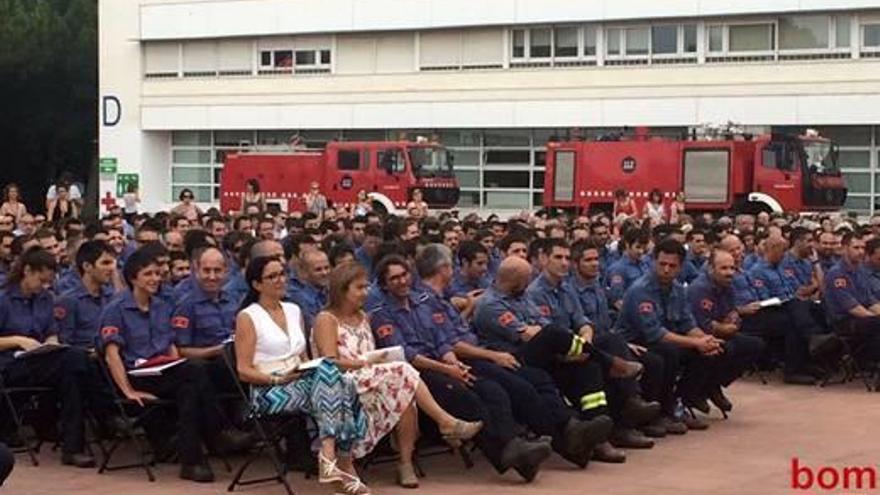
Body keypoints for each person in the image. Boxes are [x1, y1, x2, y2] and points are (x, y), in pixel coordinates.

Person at [416, 244, 617, 470]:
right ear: (443, 268)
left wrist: (467, 311)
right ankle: (557, 441)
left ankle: (573, 434)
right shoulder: (432, 303)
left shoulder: (446, 301)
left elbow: (457, 333)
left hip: (483, 356)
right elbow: (447, 343)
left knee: (552, 375)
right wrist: (489, 355)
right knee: (511, 388)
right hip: (472, 359)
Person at [370, 255, 553, 482]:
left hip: (446, 362)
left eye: (404, 274)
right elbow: (407, 355)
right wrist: (448, 370)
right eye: (394, 278)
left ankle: (516, 449)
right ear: (385, 285)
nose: (401, 281)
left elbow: (442, 339)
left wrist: (454, 363)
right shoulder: (381, 315)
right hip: (418, 372)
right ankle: (509, 452)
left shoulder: (423, 302)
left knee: (492, 391)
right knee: (465, 398)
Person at [312, 262, 481, 488]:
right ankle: (445, 421)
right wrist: (364, 362)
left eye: (366, 287)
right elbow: (329, 363)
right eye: (360, 288)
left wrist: (376, 359)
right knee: (403, 371)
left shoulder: (363, 317)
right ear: (343, 290)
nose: (366, 293)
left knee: (406, 396)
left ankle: (406, 463)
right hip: (341, 382)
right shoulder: (326, 319)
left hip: (369, 378)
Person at [100, 248, 250, 483]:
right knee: (195, 370)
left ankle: (192, 462)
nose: (155, 279)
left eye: (157, 274)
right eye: (148, 274)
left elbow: (170, 346)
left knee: (190, 388)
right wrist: (127, 390)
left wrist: (176, 363)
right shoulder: (116, 309)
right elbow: (112, 355)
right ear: (133, 278)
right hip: (137, 373)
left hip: (165, 370)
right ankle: (217, 431)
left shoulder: (161, 306)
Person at [234, 256, 370, 495]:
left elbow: (305, 358)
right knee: (339, 382)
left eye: (282, 273)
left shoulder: (293, 309)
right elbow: (243, 370)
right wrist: (277, 379)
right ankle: (341, 465)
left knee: (342, 380)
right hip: (269, 389)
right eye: (272, 276)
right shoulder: (248, 316)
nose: (280, 280)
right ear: (257, 284)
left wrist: (309, 370)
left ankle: (331, 457)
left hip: (302, 380)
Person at [0, 248, 112, 468]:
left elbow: (51, 330)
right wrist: (18, 340)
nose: (44, 286)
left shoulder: (45, 299)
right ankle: (106, 411)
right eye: (40, 280)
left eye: (48, 282)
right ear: (27, 271)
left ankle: (73, 447)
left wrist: (51, 341)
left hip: (39, 360)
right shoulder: (3, 299)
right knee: (76, 361)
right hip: (9, 363)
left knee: (73, 373)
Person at [616, 239, 727, 434]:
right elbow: (654, 333)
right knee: (665, 355)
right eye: (662, 264)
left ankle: (681, 403)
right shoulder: (640, 290)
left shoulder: (678, 290)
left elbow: (687, 323)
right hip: (634, 343)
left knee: (707, 352)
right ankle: (656, 414)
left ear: (680, 267)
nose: (666, 269)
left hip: (667, 341)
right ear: (653, 262)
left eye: (672, 266)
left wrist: (705, 340)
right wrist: (695, 342)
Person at [685, 250, 766, 414]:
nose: (729, 273)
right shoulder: (700, 289)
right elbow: (703, 324)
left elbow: (733, 313)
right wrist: (725, 327)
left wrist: (732, 323)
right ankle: (697, 391)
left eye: (732, 268)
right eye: (724, 268)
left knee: (756, 345)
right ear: (711, 269)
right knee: (726, 349)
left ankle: (713, 384)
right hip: (699, 335)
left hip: (724, 331)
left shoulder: (728, 285)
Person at [823, 231, 880, 368]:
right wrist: (875, 318)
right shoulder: (837, 273)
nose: (861, 252)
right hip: (844, 322)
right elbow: (853, 308)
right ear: (844, 248)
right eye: (856, 248)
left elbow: (870, 301)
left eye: (862, 248)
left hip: (862, 319)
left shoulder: (860, 271)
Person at [55, 240, 118, 348]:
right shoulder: (69, 301)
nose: (111, 268)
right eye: (105, 263)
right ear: (87, 266)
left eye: (113, 263)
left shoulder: (112, 297)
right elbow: (65, 343)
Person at [607, 228, 650, 311]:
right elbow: (617, 301)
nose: (641, 251)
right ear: (627, 245)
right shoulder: (618, 269)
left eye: (644, 248)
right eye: (638, 247)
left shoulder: (645, 264)